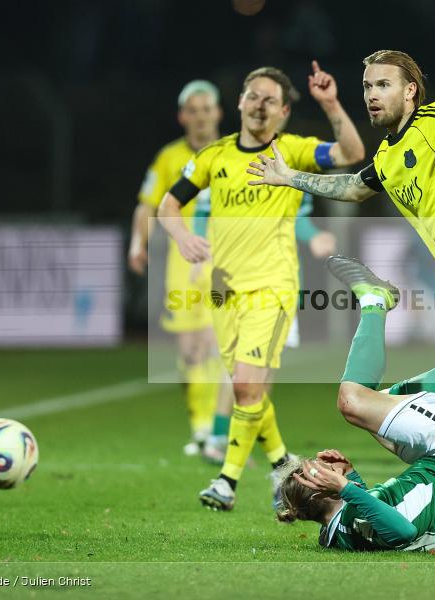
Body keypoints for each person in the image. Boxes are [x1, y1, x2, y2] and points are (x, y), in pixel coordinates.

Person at [248, 49, 435, 552]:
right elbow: (354, 188)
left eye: (382, 85)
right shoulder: (386, 156)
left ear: (409, 91)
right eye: (366, 87)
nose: (371, 95)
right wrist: (289, 177)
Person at [159, 62, 365, 511]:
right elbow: (169, 204)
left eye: (270, 100)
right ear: (239, 103)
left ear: (285, 111)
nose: (259, 105)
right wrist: (183, 236)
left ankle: (226, 481)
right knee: (245, 390)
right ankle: (282, 466)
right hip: (224, 292)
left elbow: (351, 151)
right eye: (253, 96)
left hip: (271, 289)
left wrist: (330, 103)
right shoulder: (214, 157)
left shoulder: (292, 151)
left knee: (248, 388)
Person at [275, 256, 435, 552]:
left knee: (384, 399)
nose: (323, 465)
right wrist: (347, 488)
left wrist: (351, 477)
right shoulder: (349, 523)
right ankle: (375, 300)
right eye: (318, 471)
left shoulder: (335, 532)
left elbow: (384, 509)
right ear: (319, 493)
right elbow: (402, 530)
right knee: (353, 402)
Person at [128, 80, 229, 462]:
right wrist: (137, 243)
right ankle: (201, 428)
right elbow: (147, 204)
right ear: (182, 116)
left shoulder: (231, 152)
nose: (201, 117)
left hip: (223, 261)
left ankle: (216, 431)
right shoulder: (169, 157)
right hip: (181, 263)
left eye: (207, 109)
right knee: (189, 352)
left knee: (216, 345)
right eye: (194, 110)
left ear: (218, 113)